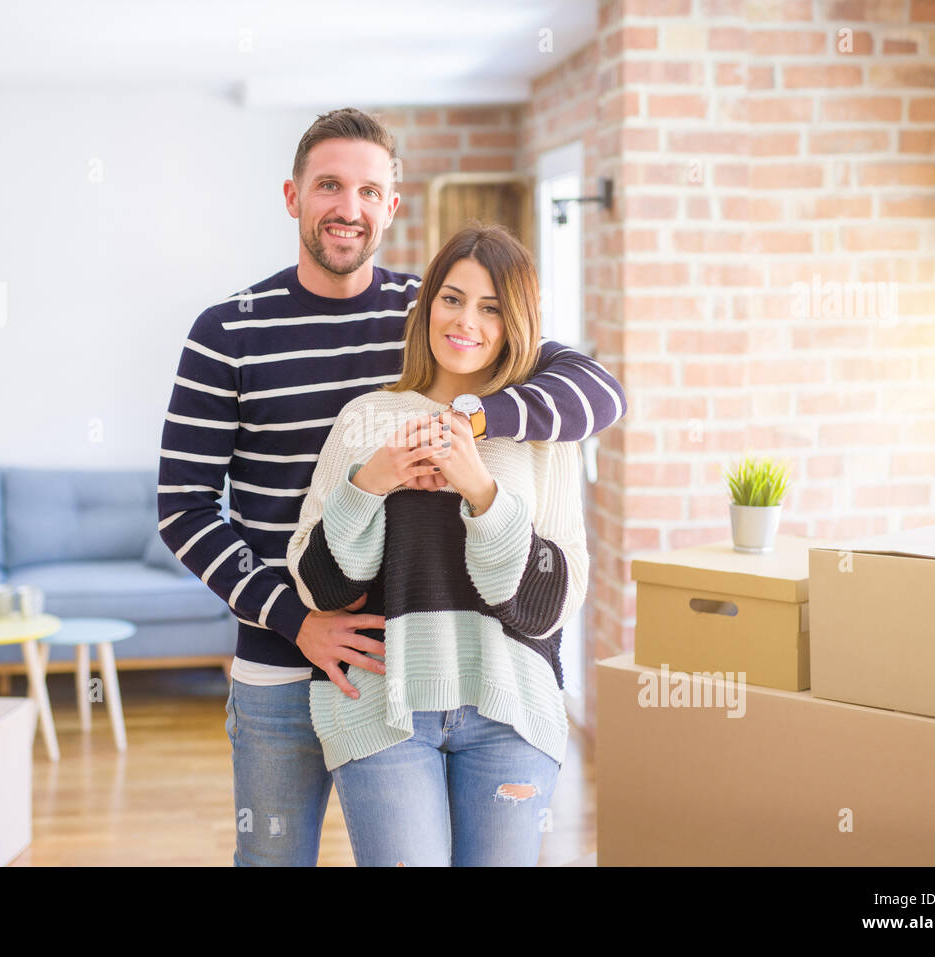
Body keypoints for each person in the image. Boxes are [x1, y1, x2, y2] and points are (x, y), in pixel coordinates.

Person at [157, 108, 627, 867]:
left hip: (410, 658)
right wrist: (295, 621)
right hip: (281, 660)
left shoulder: (438, 310)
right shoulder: (227, 333)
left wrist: (475, 421)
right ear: (292, 195)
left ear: (392, 206)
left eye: (370, 191)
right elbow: (183, 509)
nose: (349, 207)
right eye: (329, 186)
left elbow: (595, 391)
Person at [285, 223, 586, 866]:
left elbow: (549, 605)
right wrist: (373, 481)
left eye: (491, 308)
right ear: (427, 306)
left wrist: (481, 490)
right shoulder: (365, 418)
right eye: (452, 298)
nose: (465, 321)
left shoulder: (540, 434)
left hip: (511, 711)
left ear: (517, 323)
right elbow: (320, 587)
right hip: (382, 707)